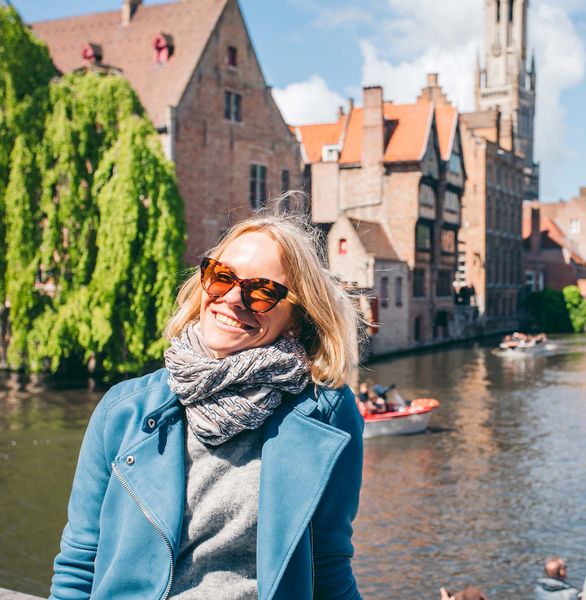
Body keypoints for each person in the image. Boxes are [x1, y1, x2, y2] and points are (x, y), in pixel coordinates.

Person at [50, 207, 364, 599]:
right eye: (222, 277)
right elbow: (81, 565)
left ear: (297, 319)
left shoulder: (326, 413)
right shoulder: (123, 412)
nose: (233, 298)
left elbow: (329, 565)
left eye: (263, 291)